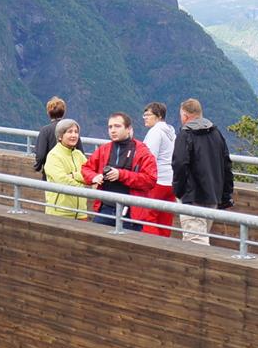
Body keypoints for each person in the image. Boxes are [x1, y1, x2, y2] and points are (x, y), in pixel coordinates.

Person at [171, 97, 234, 245]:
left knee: (195, 242)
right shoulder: (216, 134)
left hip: (192, 197)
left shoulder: (185, 135)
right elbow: (226, 165)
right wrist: (225, 195)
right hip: (212, 196)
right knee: (202, 236)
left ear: (185, 116)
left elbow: (179, 164)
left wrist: (179, 191)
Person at [81, 112, 157, 231]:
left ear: (128, 129)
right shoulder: (104, 149)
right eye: (110, 127)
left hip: (130, 213)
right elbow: (86, 168)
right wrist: (94, 177)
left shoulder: (143, 152)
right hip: (104, 209)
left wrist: (121, 175)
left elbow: (150, 180)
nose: (113, 130)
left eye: (117, 126)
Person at [139, 102, 177, 238]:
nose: (145, 117)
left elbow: (149, 157)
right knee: (165, 219)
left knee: (148, 216)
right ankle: (164, 246)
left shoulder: (155, 132)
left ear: (159, 116)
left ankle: (152, 246)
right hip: (170, 182)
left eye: (148, 115)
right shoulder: (171, 132)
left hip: (157, 181)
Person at [41, 118, 88, 218]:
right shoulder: (54, 155)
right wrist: (83, 189)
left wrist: (73, 175)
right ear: (60, 136)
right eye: (69, 132)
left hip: (81, 212)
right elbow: (62, 181)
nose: (74, 135)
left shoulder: (78, 154)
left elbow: (89, 174)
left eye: (76, 132)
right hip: (60, 213)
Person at [32, 96, 68, 175]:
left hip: (50, 172)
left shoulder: (45, 130)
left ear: (48, 113)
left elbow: (40, 155)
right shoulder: (71, 129)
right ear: (63, 112)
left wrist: (37, 167)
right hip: (68, 173)